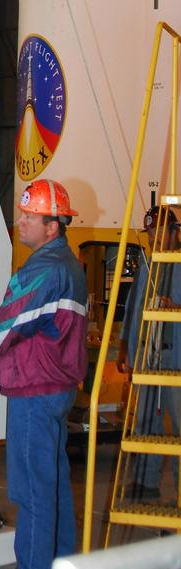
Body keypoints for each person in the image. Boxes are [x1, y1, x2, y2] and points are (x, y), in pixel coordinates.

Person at [0, 178, 87, 569]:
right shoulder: (67, 265)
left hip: (35, 391)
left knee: (33, 487)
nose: (21, 221)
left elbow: (6, 326)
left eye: (29, 216)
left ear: (53, 226)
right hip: (55, 388)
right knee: (52, 485)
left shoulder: (45, 270)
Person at [117, 204, 181, 501]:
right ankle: (145, 481)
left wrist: (174, 307)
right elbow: (133, 307)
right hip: (146, 354)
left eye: (159, 231)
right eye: (150, 232)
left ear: (174, 232)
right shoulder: (146, 265)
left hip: (175, 356)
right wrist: (125, 347)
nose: (153, 237)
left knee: (178, 425)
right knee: (145, 420)